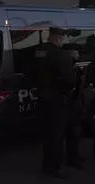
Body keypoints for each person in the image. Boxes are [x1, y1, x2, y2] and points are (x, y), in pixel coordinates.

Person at [33, 27, 77, 179]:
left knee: (47, 135)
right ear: (58, 37)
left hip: (42, 98)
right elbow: (70, 80)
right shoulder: (61, 55)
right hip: (57, 100)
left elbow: (30, 72)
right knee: (56, 136)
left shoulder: (38, 52)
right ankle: (53, 167)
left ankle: (46, 165)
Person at [65, 49, 84, 170]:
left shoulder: (75, 67)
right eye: (76, 52)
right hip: (69, 104)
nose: (78, 54)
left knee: (75, 133)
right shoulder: (67, 68)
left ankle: (74, 156)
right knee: (73, 132)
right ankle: (72, 158)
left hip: (75, 103)